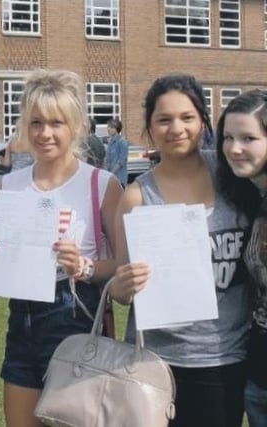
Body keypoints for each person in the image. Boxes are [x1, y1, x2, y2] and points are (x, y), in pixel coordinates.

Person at [0, 69, 123, 427]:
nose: (45, 133)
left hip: (77, 316)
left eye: (56, 122)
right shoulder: (8, 186)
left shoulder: (101, 184)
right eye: (36, 122)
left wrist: (84, 266)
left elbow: (121, 266)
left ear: (75, 125)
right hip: (21, 319)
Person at [109, 74, 252, 427]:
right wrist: (123, 285)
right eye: (164, 119)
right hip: (155, 364)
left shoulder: (233, 174)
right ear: (149, 128)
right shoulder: (137, 197)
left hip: (224, 358)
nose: (177, 128)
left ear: (203, 120)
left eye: (187, 117)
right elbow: (118, 286)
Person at [217, 89, 267, 427]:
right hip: (258, 371)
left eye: (248, 138)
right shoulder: (252, 198)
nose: (235, 148)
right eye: (228, 137)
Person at [103, 117, 129, 185]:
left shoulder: (122, 142)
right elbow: (107, 160)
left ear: (116, 128)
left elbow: (121, 163)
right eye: (108, 127)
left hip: (119, 179)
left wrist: (111, 173)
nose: (108, 129)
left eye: (111, 127)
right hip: (110, 179)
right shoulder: (110, 142)